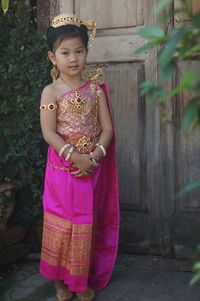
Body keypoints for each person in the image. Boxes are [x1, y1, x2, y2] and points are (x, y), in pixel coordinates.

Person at [39, 13, 119, 301]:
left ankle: (79, 280)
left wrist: (95, 156)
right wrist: (75, 157)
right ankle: (60, 281)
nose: (73, 58)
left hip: (91, 169)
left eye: (79, 51)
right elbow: (49, 133)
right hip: (63, 170)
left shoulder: (95, 91)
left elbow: (108, 128)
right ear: (52, 57)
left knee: (86, 223)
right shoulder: (51, 92)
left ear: (86, 52)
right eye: (65, 52)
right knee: (63, 223)